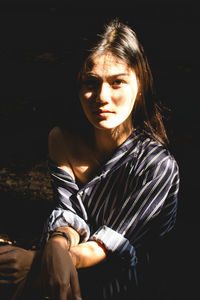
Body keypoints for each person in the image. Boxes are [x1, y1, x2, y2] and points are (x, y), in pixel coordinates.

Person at [0, 19, 179, 300]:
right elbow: (68, 214)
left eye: (117, 82)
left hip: (128, 285)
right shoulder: (61, 139)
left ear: (140, 85)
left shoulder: (158, 166)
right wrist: (57, 244)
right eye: (91, 83)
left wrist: (36, 262)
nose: (101, 97)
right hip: (64, 269)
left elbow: (109, 248)